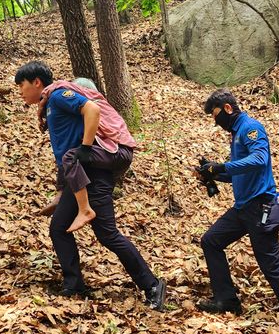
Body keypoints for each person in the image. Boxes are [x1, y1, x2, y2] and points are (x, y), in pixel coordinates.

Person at [15, 61, 166, 309]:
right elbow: (63, 153)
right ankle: (74, 285)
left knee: (107, 234)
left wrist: (85, 149)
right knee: (58, 228)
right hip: (77, 179)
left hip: (93, 175)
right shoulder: (50, 106)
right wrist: (60, 193)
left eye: (21, 85)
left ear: (37, 82)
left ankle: (151, 285)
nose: (20, 91)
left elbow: (92, 110)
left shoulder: (59, 96)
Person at [195, 89, 279, 334]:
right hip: (243, 208)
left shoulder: (251, 128)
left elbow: (260, 160)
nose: (215, 121)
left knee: (270, 265)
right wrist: (214, 174)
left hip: (262, 206)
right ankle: (226, 300)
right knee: (211, 241)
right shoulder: (236, 134)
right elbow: (239, 172)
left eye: (217, 114)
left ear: (229, 109)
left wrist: (222, 166)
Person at [36, 77, 99, 217]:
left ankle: (80, 207)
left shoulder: (75, 100)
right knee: (64, 159)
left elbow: (91, 111)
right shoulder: (60, 99)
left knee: (68, 158)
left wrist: (86, 147)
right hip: (68, 156)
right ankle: (60, 194)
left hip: (80, 152)